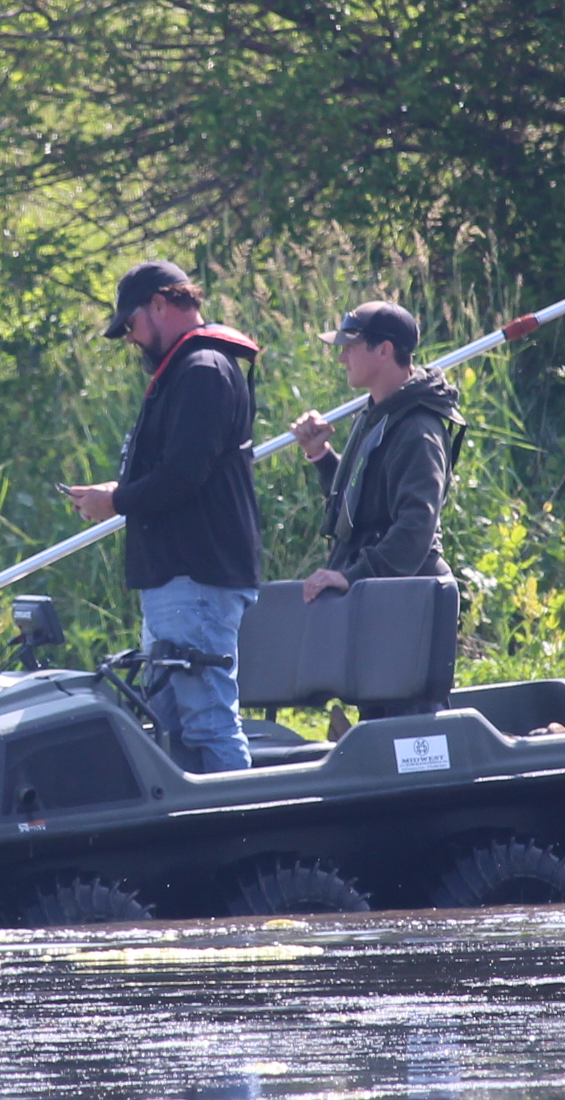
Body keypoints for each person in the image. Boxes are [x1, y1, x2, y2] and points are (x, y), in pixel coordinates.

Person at [62, 260, 262, 774]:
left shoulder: (201, 371)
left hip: (195, 580)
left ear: (159, 304)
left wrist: (118, 503)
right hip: (181, 584)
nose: (130, 339)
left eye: (129, 325)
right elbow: (181, 469)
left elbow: (183, 476)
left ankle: (248, 841)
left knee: (208, 725)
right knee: (169, 725)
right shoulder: (193, 369)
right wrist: (117, 491)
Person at [288, 300, 461, 605]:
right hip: (378, 592)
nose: (342, 358)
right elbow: (361, 501)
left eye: (351, 347)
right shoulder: (377, 414)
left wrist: (352, 575)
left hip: (405, 598)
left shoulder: (419, 429)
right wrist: (321, 456)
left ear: (384, 350)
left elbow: (417, 525)